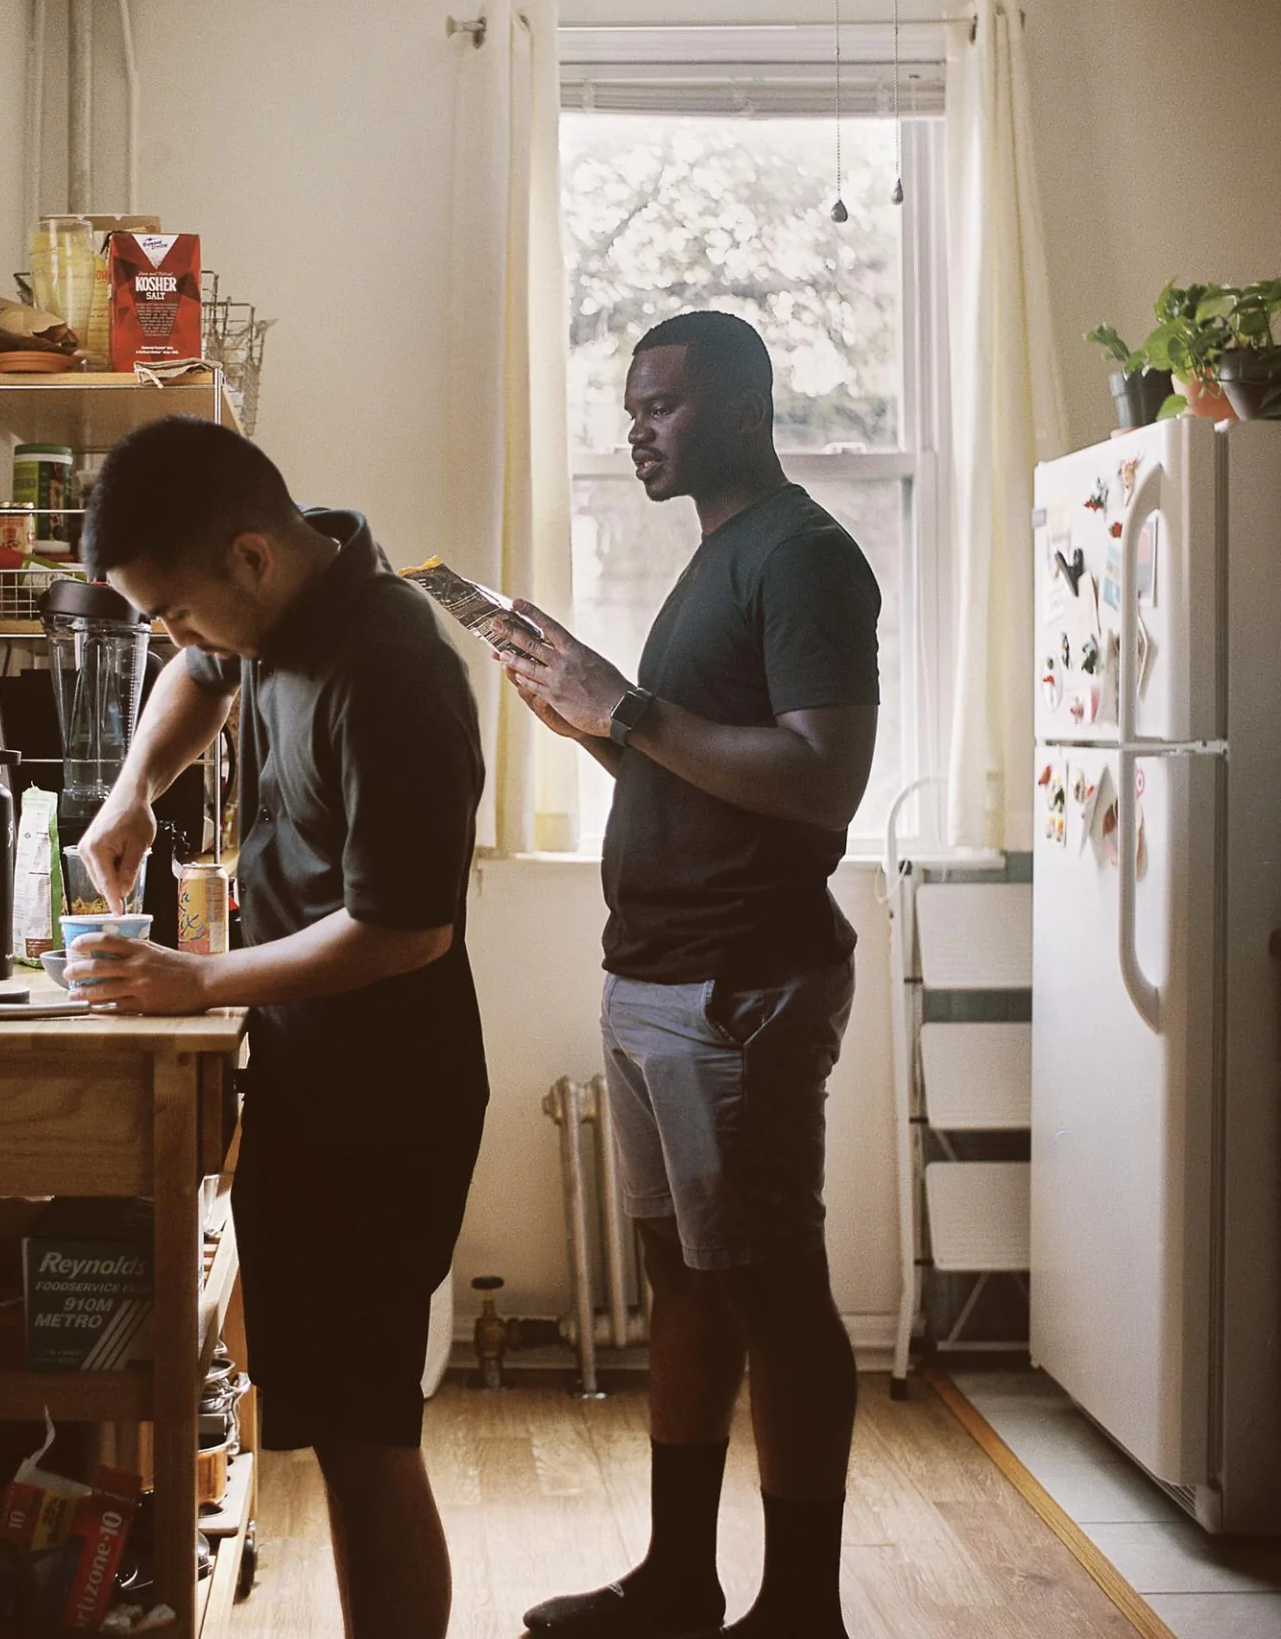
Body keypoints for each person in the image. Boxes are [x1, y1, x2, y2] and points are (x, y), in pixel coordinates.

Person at [69, 417, 488, 1639]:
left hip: (389, 1104)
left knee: (366, 1442)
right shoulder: (282, 602)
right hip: (314, 1075)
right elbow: (200, 676)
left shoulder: (395, 672)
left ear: (250, 556)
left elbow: (408, 932)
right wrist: (131, 789)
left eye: (180, 609)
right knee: (334, 1428)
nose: (177, 639)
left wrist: (199, 984)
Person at [498, 312, 880, 1639]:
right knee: (686, 1282)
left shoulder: (806, 556)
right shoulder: (718, 557)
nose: (636, 430)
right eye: (629, 407)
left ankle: (803, 1611)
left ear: (734, 405)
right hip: (656, 975)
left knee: (776, 1290)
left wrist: (633, 709)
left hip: (738, 985)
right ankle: (677, 1581)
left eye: (658, 406)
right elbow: (701, 768)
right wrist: (591, 719)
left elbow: (822, 779)